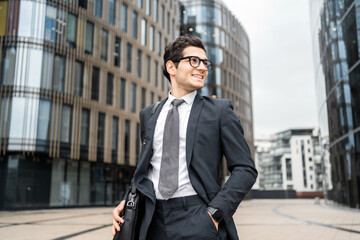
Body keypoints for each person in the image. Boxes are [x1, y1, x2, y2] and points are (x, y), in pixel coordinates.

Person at [112, 34, 257, 240]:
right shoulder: (149, 114)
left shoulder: (220, 111)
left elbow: (245, 169)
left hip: (198, 216)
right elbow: (146, 170)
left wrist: (214, 214)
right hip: (152, 218)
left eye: (206, 63)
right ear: (171, 67)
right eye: (194, 61)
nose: (203, 68)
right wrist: (128, 201)